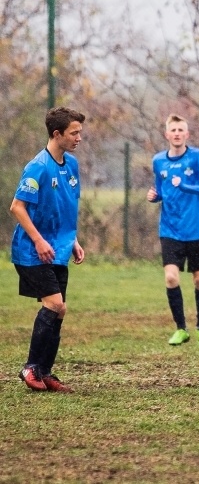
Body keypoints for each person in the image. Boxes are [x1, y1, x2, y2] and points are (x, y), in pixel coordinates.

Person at [11, 106, 86, 393]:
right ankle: (31, 367)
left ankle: (45, 372)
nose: (79, 137)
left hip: (60, 248)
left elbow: (67, 208)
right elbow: (17, 207)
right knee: (54, 304)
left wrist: (74, 241)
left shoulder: (72, 165)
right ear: (57, 134)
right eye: (74, 133)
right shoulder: (37, 167)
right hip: (32, 251)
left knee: (60, 310)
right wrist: (39, 240)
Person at [147, 114, 199, 346]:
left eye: (181, 130)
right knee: (170, 277)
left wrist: (185, 185)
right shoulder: (158, 161)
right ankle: (180, 329)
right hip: (169, 229)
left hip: (196, 229)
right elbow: (161, 190)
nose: (177, 134)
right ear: (167, 134)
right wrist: (154, 196)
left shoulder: (197, 157)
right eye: (173, 130)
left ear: (187, 134)